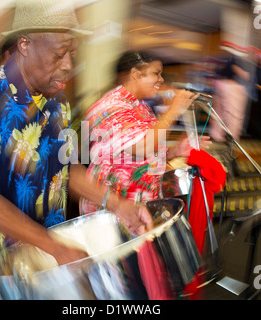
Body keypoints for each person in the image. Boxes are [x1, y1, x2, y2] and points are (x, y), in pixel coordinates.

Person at [0, 0, 151, 300]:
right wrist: (56, 247)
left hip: (42, 260)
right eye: (59, 53)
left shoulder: (57, 103)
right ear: (24, 44)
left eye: (73, 54)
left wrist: (117, 204)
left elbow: (64, 168)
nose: (68, 65)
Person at [80, 51, 225, 299]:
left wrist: (174, 151)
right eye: (155, 74)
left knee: (147, 285)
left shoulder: (138, 106)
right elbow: (141, 146)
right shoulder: (110, 107)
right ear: (135, 73)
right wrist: (174, 111)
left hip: (138, 210)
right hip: (115, 210)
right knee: (125, 289)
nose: (161, 80)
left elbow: (141, 153)